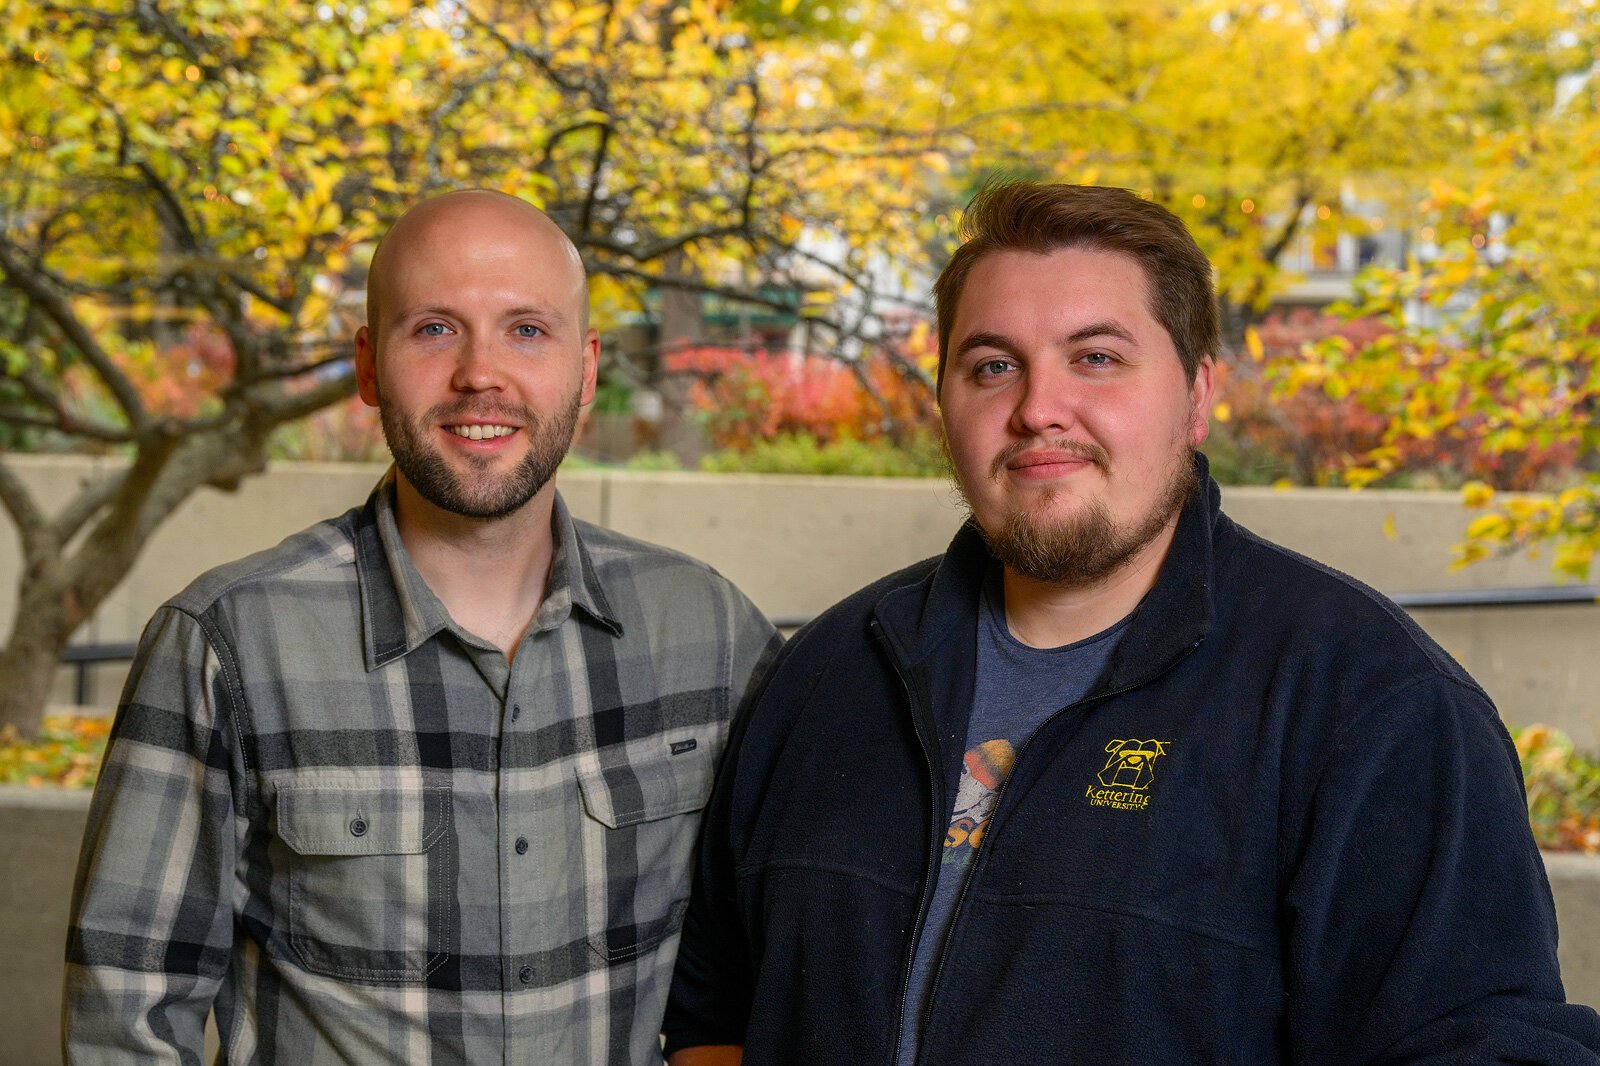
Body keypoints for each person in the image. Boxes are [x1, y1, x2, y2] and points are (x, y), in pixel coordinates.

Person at [663, 182, 1600, 1064]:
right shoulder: (827, 671)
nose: (1038, 409)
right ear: (944, 406)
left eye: (1097, 358)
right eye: (992, 366)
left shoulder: (1372, 707)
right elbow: (717, 1006)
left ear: (1196, 397)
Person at [64, 190, 779, 1064]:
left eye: (527, 330)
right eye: (434, 328)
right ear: (369, 366)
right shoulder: (226, 646)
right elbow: (126, 1023)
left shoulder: (712, 636)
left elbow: (773, 966)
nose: (481, 373)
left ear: (587, 369)